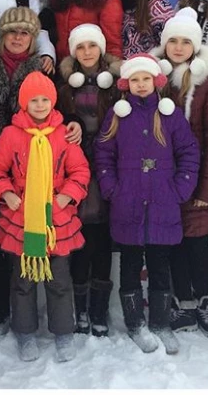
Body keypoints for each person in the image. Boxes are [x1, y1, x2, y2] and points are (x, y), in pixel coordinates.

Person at [95, 54, 200, 355]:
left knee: (160, 265)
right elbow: (103, 153)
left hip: (163, 202)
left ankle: (160, 322)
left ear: (156, 81)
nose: (141, 85)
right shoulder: (118, 115)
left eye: (146, 79)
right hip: (127, 202)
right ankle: (135, 323)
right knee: (129, 264)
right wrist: (111, 188)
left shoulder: (170, 115)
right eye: (135, 80)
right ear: (126, 84)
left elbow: (189, 152)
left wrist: (180, 188)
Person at [0, 71, 89, 363]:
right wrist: (6, 193)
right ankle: (26, 332)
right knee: (23, 280)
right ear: (24, 104)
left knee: (59, 280)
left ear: (53, 101)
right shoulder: (11, 134)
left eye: (45, 99)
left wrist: (66, 196)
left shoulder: (65, 133)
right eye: (34, 100)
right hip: (21, 220)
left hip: (56, 221)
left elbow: (80, 171)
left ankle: (63, 332)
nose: (41, 105)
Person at [150, 8, 208, 336]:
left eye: (185, 42)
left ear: (195, 46)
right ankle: (183, 303)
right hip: (164, 183)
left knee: (196, 243)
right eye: (173, 41)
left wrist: (207, 190)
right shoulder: (154, 80)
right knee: (174, 242)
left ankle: (205, 305)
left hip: (196, 182)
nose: (178, 47)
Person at [57, 24, 118, 337]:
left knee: (103, 240)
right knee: (79, 239)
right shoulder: (65, 86)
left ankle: (99, 310)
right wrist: (72, 121)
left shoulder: (116, 84)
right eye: (81, 47)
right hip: (77, 168)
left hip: (109, 165)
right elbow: (58, 119)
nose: (87, 52)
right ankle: (79, 308)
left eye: (92, 46)